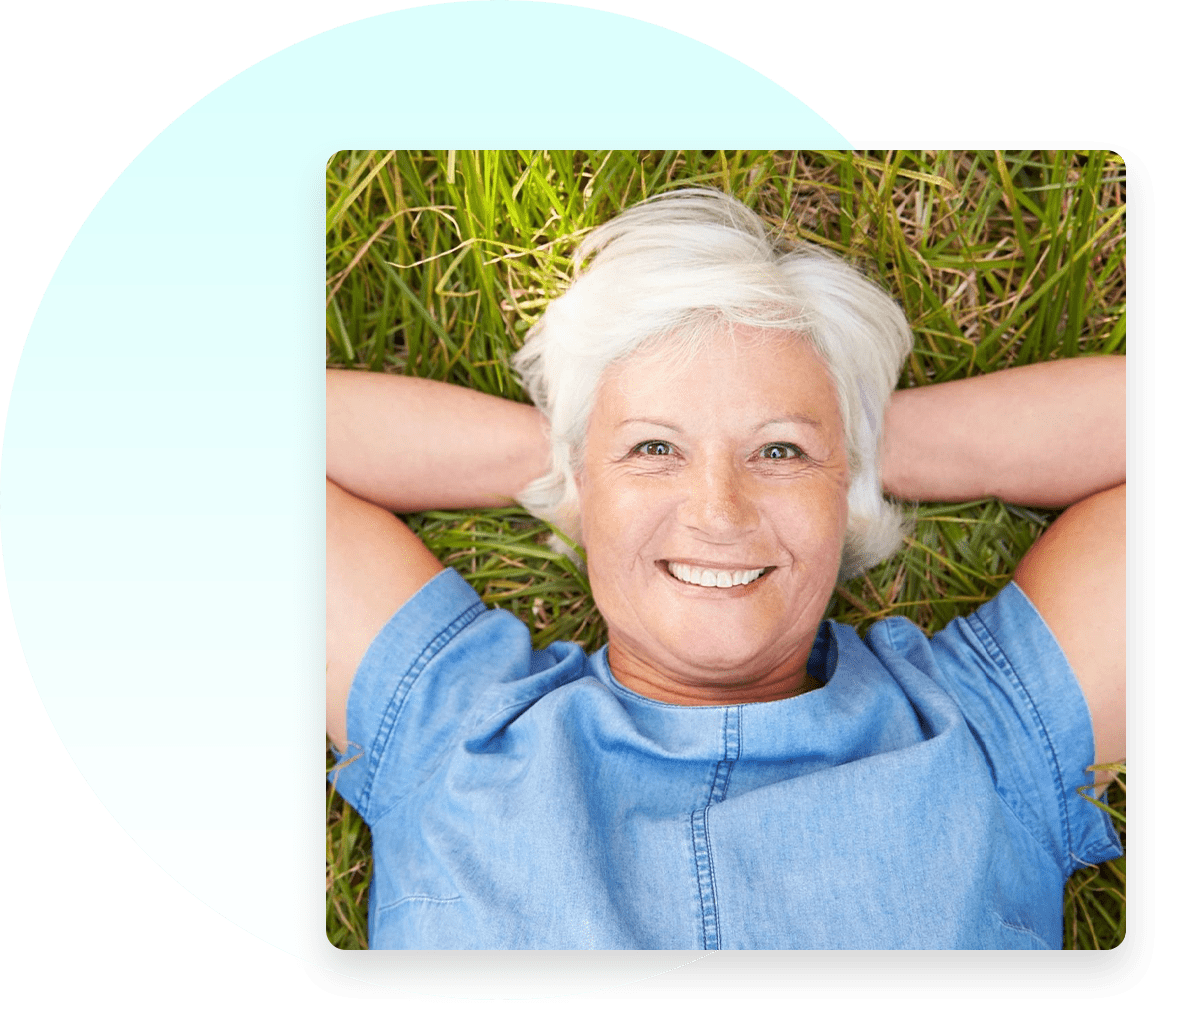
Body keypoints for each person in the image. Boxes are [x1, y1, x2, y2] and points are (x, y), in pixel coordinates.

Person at [326, 189, 1125, 950]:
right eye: (654, 450)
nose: (717, 510)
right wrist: (572, 461)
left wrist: (850, 446)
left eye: (777, 453)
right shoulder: (446, 726)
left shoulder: (995, 736)